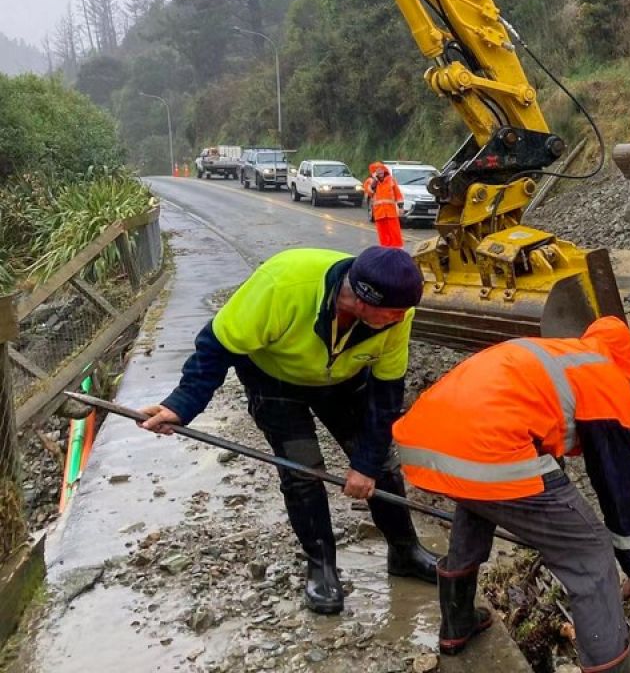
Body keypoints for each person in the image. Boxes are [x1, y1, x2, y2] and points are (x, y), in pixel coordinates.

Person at [138, 246, 439, 614]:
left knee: (382, 465)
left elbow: (385, 395)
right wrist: (181, 406)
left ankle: (405, 551)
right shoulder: (283, 285)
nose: (401, 318)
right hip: (274, 381)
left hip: (343, 381)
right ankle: (322, 569)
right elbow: (216, 347)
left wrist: (365, 464)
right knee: (302, 472)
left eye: (403, 312)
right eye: (393, 313)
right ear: (361, 299)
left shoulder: (397, 312)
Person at [393, 317, 630, 672]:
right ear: (627, 362)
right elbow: (617, 482)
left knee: (481, 497)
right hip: (483, 447)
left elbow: (535, 425)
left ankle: (458, 624)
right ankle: (611, 665)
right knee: (589, 550)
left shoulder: (557, 356)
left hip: (422, 443)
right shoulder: (607, 380)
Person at [368, 162, 404, 247]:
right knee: (383, 235)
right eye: (377, 171)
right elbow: (369, 192)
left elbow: (398, 194)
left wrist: (401, 207)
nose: (380, 172)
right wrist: (375, 182)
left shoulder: (391, 180)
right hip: (379, 213)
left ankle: (398, 249)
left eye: (381, 170)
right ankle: (385, 250)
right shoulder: (371, 182)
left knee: (395, 233)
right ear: (374, 173)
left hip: (391, 212)